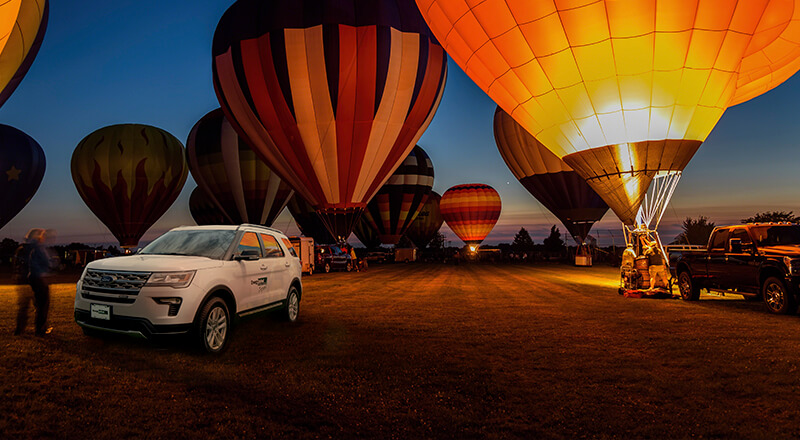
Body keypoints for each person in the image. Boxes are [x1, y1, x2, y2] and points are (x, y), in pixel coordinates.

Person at [14, 228, 56, 336]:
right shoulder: (38, 248)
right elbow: (47, 263)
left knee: (23, 306)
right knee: (42, 305)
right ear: (36, 236)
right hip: (36, 279)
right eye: (41, 235)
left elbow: (16, 264)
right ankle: (40, 330)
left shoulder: (21, 248)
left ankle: (19, 330)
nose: (43, 237)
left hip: (23, 279)